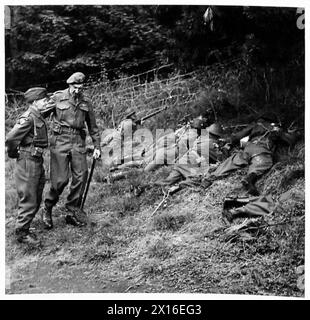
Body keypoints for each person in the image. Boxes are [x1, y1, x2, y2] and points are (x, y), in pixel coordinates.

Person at [41, 72, 101, 229]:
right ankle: (47, 206)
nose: (77, 90)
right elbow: (39, 115)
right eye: (75, 87)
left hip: (78, 141)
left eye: (80, 87)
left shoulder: (86, 101)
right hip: (60, 140)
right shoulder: (57, 97)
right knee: (60, 180)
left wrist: (97, 146)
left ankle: (72, 211)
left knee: (81, 176)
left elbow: (93, 126)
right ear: (69, 85)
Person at [204, 116, 299, 195]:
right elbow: (290, 140)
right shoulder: (276, 129)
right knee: (263, 163)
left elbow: (237, 136)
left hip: (248, 148)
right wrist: (293, 134)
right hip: (261, 148)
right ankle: (249, 180)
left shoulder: (256, 124)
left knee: (232, 161)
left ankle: (210, 178)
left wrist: (227, 141)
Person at [6, 88, 51, 245]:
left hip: (36, 160)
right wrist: (13, 154)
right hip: (27, 161)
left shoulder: (37, 114)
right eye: (43, 99)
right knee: (29, 197)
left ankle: (25, 226)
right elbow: (11, 138)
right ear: (34, 102)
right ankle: (22, 233)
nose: (46, 101)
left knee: (37, 195)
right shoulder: (28, 118)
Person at [155, 121, 227, 186]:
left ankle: (152, 185)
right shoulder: (211, 144)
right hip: (189, 164)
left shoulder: (202, 139)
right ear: (216, 136)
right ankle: (179, 186)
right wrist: (225, 148)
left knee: (167, 182)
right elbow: (222, 159)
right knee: (200, 179)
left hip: (181, 163)